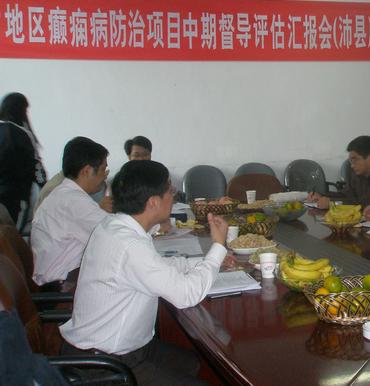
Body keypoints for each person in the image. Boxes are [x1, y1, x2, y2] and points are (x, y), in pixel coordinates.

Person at [60, 160, 228, 385]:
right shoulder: (130, 244)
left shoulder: (115, 226)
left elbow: (157, 267)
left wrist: (205, 262)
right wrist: (218, 247)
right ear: (153, 202)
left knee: (195, 364)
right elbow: (186, 294)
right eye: (170, 190)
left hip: (122, 348)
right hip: (104, 364)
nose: (173, 196)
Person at [31, 137, 111, 287]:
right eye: (102, 169)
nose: (104, 176)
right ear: (87, 171)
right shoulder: (73, 201)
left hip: (63, 277)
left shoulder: (66, 194)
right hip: (63, 286)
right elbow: (114, 233)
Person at [307, 135, 370, 209]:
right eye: (351, 161)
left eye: (355, 160)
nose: (352, 165)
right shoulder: (358, 173)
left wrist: (333, 204)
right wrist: (321, 195)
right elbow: (346, 195)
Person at [0, 92, 46, 223]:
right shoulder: (22, 134)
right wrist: (47, 189)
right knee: (12, 233)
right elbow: (37, 168)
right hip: (15, 198)